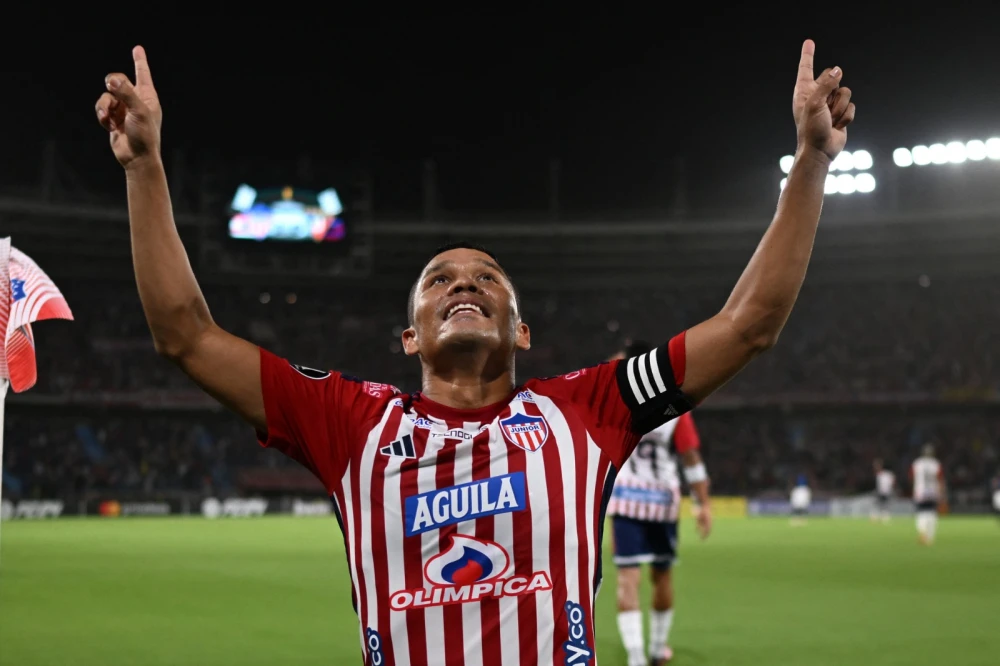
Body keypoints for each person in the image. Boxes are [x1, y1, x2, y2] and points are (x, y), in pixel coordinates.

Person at [94, 40, 855, 665]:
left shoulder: (589, 409)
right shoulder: (349, 423)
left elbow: (749, 324)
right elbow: (185, 336)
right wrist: (144, 167)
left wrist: (813, 161)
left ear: (521, 330)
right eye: (439, 281)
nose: (466, 283)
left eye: (489, 277)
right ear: (410, 336)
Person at [606, 342, 711, 666]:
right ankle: (657, 649)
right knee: (662, 576)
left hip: (625, 500)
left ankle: (636, 658)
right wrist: (702, 504)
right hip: (663, 501)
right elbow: (691, 460)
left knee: (627, 578)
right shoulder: (674, 404)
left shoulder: (615, 399)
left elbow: (606, 371)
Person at [910, 444, 945, 545]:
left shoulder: (917, 463)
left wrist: (914, 488)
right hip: (933, 492)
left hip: (920, 491)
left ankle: (922, 533)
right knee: (932, 513)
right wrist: (941, 493)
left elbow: (911, 477)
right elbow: (940, 479)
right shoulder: (936, 464)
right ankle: (930, 537)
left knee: (921, 513)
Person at [872, 458, 895, 523]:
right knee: (881, 505)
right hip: (884, 492)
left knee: (881, 505)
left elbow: (892, 483)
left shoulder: (882, 475)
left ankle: (878, 517)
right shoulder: (885, 474)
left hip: (884, 492)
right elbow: (892, 482)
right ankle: (882, 517)